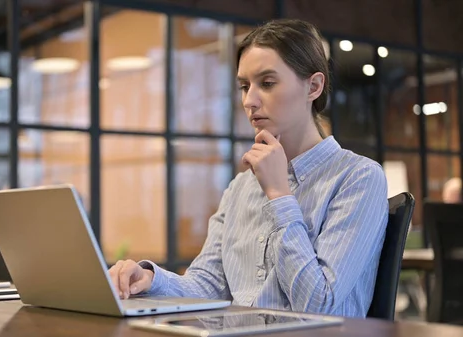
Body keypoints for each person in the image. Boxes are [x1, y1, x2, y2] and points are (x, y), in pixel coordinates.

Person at [108, 19, 389, 318]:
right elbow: (208, 284)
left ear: (314, 86)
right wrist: (150, 279)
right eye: (244, 86)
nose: (249, 101)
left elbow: (318, 305)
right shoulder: (240, 187)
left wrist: (279, 195)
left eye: (267, 83)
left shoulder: (358, 178)